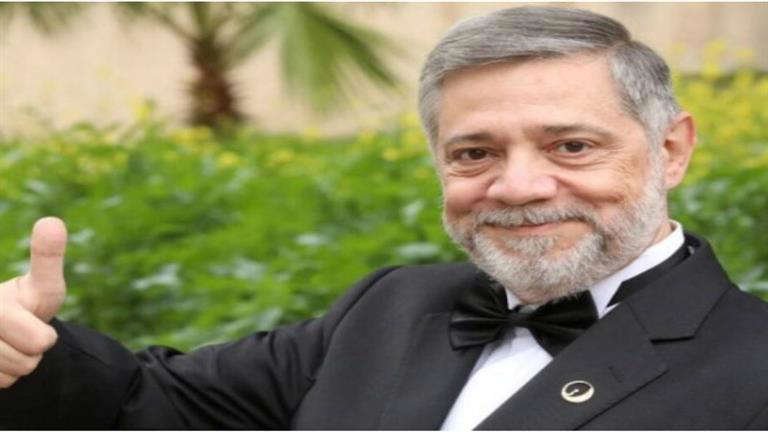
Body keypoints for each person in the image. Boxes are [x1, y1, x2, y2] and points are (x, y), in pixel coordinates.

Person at [1, 6, 767, 430]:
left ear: (671, 150)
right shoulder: (391, 306)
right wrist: (26, 357)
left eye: (571, 145)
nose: (518, 186)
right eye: (473, 153)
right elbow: (150, 403)